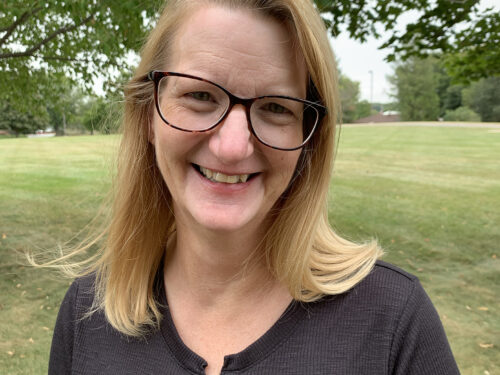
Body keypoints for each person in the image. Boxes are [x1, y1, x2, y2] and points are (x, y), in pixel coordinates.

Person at [48, 0, 460, 374]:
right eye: (199, 95)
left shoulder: (393, 322)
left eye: (276, 108)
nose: (232, 147)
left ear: (309, 139)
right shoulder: (88, 313)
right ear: (147, 117)